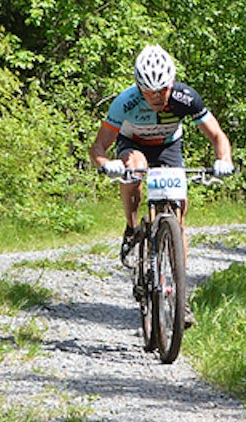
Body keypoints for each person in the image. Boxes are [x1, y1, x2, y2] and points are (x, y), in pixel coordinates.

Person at [90, 44, 235, 267]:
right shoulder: (124, 102)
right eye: (149, 91)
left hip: (168, 146)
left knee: (180, 213)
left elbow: (217, 135)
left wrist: (224, 160)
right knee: (135, 167)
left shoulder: (185, 97)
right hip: (134, 143)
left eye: (163, 90)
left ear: (172, 83)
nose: (157, 97)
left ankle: (180, 290)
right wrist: (106, 163)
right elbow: (98, 146)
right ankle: (131, 228)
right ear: (139, 88)